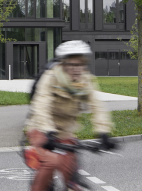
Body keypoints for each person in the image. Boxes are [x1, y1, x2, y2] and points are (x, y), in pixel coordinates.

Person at [25, 40, 115, 191]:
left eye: (80, 64)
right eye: (72, 65)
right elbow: (41, 104)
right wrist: (48, 132)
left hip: (66, 131)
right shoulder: (51, 77)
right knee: (52, 161)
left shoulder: (86, 80)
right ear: (64, 64)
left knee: (72, 177)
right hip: (41, 128)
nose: (76, 69)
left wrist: (104, 132)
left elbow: (97, 105)